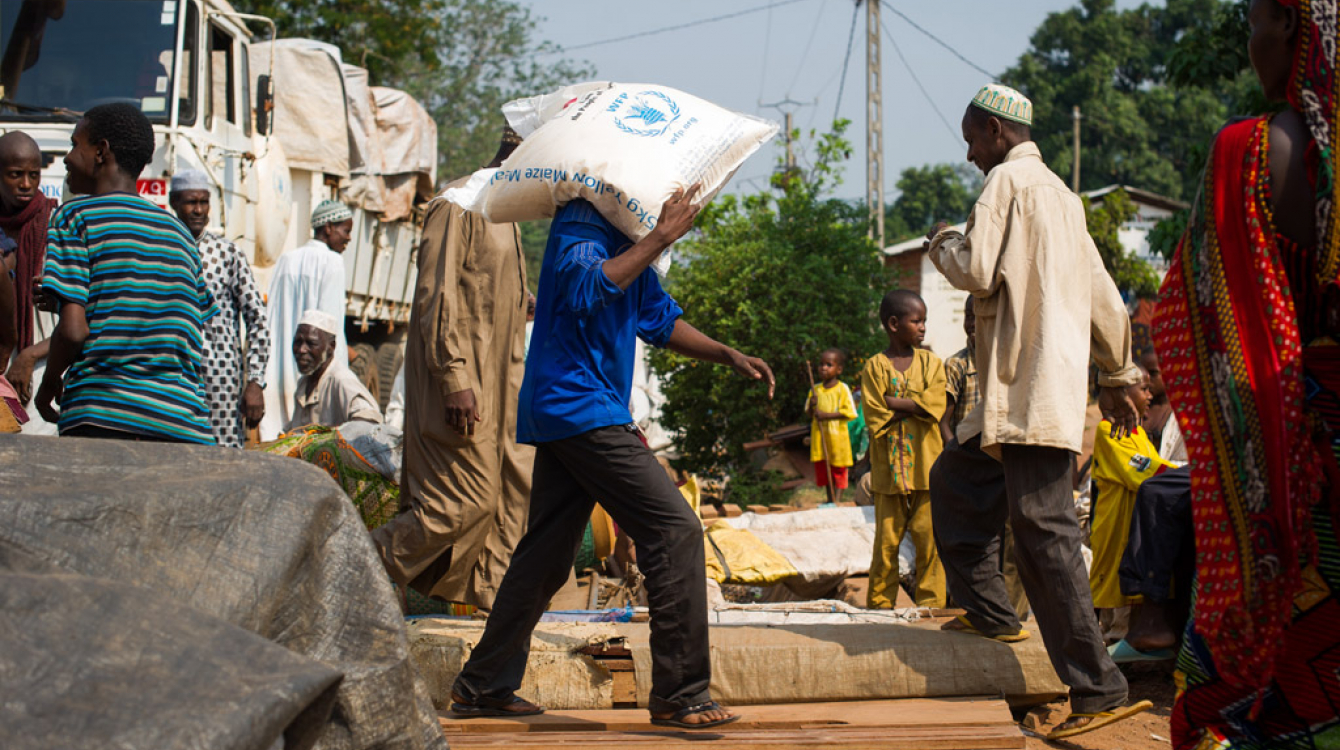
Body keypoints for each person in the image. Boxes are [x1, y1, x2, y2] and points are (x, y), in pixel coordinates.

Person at [450, 185, 774, 729]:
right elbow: (582, 288)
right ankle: (680, 692)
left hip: (577, 410)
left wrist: (726, 354)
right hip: (579, 407)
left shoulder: (625, 235)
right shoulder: (582, 221)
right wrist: (661, 237)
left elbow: (659, 319)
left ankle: (484, 683)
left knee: (547, 554)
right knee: (674, 530)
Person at [925, 84, 1148, 739]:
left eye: (971, 140)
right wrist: (1118, 369)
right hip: (1020, 396)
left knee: (1042, 530)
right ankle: (994, 614)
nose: (969, 155)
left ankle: (1099, 689)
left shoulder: (1005, 185)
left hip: (1026, 388)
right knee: (958, 483)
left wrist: (943, 243)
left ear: (996, 131)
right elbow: (1104, 292)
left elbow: (975, 267)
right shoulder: (1063, 196)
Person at [1154, 1, 1340, 745]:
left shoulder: (1254, 152)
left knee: (1290, 671)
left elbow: (1205, 329)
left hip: (1308, 466)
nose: (1251, 46)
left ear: (1291, 27)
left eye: (1254, 24)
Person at [372, 126, 536, 611]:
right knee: (460, 504)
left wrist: (518, 300)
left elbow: (481, 289)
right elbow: (435, 294)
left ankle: (491, 623)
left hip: (503, 395)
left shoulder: (507, 215)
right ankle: (355, 559)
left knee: (510, 501)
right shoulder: (458, 203)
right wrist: (453, 377)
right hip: (464, 391)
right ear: (518, 152)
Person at [35, 103, 216, 443]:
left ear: (101, 151)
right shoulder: (180, 234)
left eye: (76, 145)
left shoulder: (75, 216)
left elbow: (74, 331)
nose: (67, 157)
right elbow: (183, 323)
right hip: (183, 421)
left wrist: (48, 385)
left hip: (102, 414)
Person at [941, 295, 1029, 620]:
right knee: (973, 542)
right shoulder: (958, 365)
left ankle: (1011, 614)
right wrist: (956, 461)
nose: (972, 324)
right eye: (968, 316)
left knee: (1012, 543)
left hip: (1007, 465)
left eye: (979, 317)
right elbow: (944, 420)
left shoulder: (1012, 364)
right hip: (973, 467)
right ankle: (971, 610)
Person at [168, 169, 269, 448]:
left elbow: (257, 319)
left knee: (224, 459)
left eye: (204, 202)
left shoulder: (228, 254)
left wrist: (255, 382)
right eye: (191, 202)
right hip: (173, 377)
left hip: (221, 379)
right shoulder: (164, 250)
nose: (199, 210)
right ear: (174, 203)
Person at [861, 290, 947, 609]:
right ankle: (880, 607)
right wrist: (916, 406)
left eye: (924, 320)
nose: (923, 327)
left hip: (927, 474)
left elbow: (936, 403)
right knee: (886, 545)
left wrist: (894, 402)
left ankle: (931, 606)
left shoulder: (932, 363)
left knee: (929, 544)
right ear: (894, 324)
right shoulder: (874, 367)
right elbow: (873, 413)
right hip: (888, 479)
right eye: (917, 320)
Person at [260, 200, 351, 440]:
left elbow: (272, 320)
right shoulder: (333, 262)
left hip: (280, 367)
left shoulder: (287, 259)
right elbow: (331, 328)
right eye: (346, 230)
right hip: (312, 371)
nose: (348, 238)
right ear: (328, 228)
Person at [1087, 367, 1175, 614]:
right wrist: (1183, 474)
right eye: (1144, 389)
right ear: (1123, 392)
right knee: (1112, 599)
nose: (1149, 396)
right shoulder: (1109, 429)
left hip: (1132, 528)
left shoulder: (1139, 433)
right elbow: (1143, 471)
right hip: (1115, 528)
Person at [0, 131, 55, 407]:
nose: (26, 184)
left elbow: (85, 314)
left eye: (33, 175)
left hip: (40, 368)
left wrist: (29, 355)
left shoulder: (57, 227)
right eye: (15, 174)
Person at [286, 310, 380, 431]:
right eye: (298, 342)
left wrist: (336, 439)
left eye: (311, 343)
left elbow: (369, 420)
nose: (301, 350)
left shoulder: (341, 380)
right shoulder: (304, 382)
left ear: (331, 347)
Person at [804, 347, 856, 502]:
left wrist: (826, 416)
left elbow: (849, 412)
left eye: (829, 365)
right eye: (821, 364)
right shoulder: (815, 390)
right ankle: (829, 499)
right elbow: (809, 413)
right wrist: (812, 407)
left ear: (839, 369)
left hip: (837, 438)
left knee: (838, 468)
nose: (823, 368)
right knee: (824, 468)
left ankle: (837, 499)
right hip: (821, 438)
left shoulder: (842, 389)